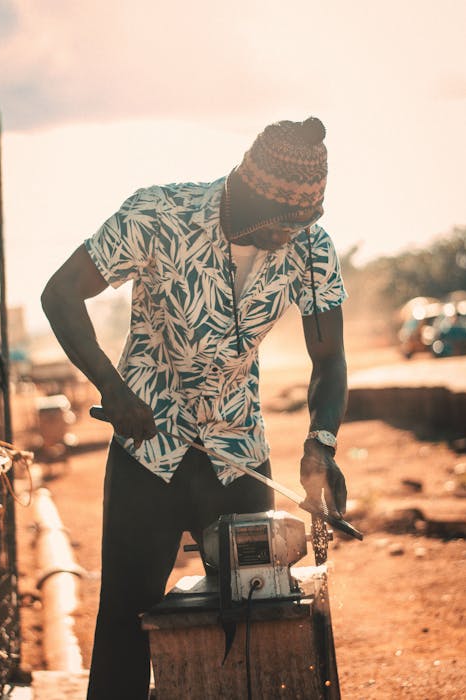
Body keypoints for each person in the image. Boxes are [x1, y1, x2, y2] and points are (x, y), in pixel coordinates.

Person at [41, 117, 348, 699]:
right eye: (281, 227)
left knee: (249, 629)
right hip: (146, 456)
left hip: (238, 458)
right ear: (249, 193)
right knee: (126, 626)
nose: (290, 240)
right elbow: (60, 293)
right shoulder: (157, 214)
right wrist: (114, 389)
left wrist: (320, 444)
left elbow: (329, 359)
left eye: (301, 228)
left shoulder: (309, 244)